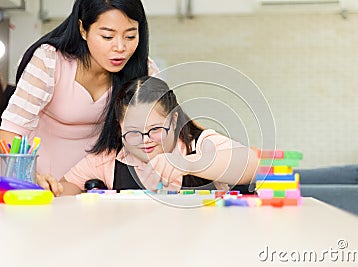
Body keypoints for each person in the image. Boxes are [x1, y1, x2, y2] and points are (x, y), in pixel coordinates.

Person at [0, 0, 158, 180]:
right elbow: (11, 129)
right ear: (83, 29)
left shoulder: (144, 71)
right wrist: (28, 176)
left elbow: (166, 125)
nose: (120, 47)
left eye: (130, 36)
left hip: (99, 185)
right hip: (40, 181)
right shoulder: (50, 60)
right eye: (107, 36)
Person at [40, 76, 259, 196]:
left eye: (155, 130)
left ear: (173, 121)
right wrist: (49, 189)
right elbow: (62, 192)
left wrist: (188, 164)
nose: (145, 140)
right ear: (119, 128)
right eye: (133, 132)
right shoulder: (108, 160)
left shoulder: (199, 144)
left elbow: (252, 166)